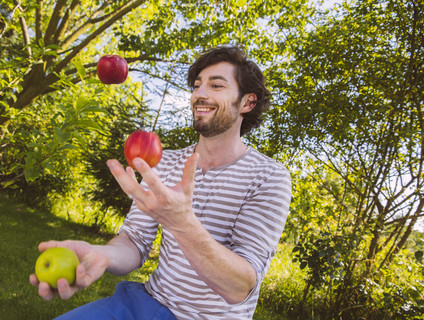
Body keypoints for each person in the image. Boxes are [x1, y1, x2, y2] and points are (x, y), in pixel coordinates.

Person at [30, 45, 292, 320]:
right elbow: (135, 240)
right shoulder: (165, 162)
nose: (199, 94)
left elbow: (239, 287)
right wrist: (102, 254)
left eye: (216, 85)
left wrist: (182, 224)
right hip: (147, 303)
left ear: (247, 103)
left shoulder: (269, 176)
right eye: (197, 85)